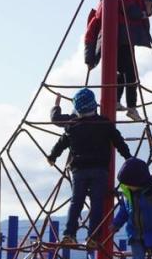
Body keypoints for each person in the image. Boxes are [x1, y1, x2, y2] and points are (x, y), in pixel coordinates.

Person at [48, 88, 133, 247]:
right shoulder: (104, 123)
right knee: (97, 203)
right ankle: (93, 237)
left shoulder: (72, 124)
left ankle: (69, 233)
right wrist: (128, 158)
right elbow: (118, 141)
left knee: (76, 202)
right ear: (95, 106)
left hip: (79, 170)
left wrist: (52, 156)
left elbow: (60, 137)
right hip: (99, 170)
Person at [84, 0, 152, 120]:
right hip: (122, 40)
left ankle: (116, 101)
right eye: (150, 10)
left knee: (121, 72)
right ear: (148, 3)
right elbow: (127, 7)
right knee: (131, 74)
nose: (148, 15)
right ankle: (132, 108)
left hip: (115, 40)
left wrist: (91, 59)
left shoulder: (109, 7)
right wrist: (141, 14)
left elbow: (92, 33)